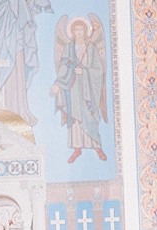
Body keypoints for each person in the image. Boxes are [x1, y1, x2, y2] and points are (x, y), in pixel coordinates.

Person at [51, 15, 108, 164]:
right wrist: (58, 83)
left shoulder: (92, 48)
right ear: (72, 32)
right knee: (76, 118)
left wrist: (85, 71)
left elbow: (99, 70)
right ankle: (77, 148)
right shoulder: (68, 49)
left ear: (85, 31)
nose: (78, 33)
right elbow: (63, 67)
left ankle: (97, 146)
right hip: (73, 89)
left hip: (89, 90)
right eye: (75, 30)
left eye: (81, 30)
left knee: (90, 116)